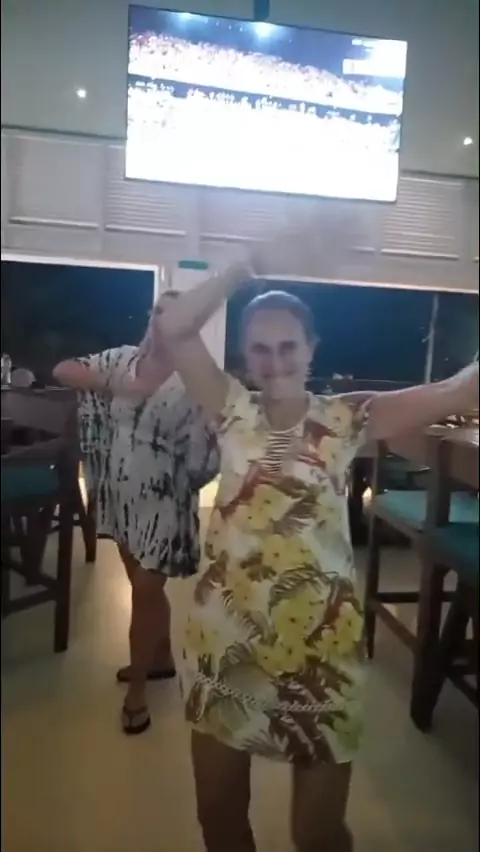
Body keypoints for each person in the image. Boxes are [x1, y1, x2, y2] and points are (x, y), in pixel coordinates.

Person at [153, 254, 479, 852]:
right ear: (244, 355)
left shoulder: (346, 418)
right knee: (219, 817)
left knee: (318, 833)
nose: (275, 360)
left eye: (288, 346)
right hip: (227, 641)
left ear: (312, 349)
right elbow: (174, 326)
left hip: (319, 647)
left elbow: (457, 389)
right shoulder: (231, 407)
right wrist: (246, 265)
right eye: (260, 348)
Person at [53, 291, 219, 735]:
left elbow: (208, 457)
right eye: (160, 312)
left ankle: (138, 692)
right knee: (142, 587)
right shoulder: (121, 360)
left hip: (166, 501)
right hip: (118, 495)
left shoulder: (195, 381)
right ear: (152, 316)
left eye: (179, 316)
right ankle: (160, 657)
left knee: (145, 591)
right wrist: (122, 387)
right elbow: (63, 370)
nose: (165, 322)